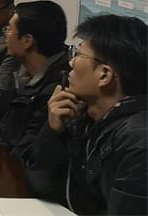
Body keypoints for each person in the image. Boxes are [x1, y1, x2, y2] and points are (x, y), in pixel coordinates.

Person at [22, 14, 147, 215]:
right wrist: (53, 132)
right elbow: (41, 187)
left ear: (104, 75)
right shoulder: (84, 117)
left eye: (79, 55)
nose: (71, 63)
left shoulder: (139, 139)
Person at [0, 1, 68, 158]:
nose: (5, 35)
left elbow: (23, 155)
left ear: (27, 41)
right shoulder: (26, 76)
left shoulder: (53, 94)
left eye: (9, 30)